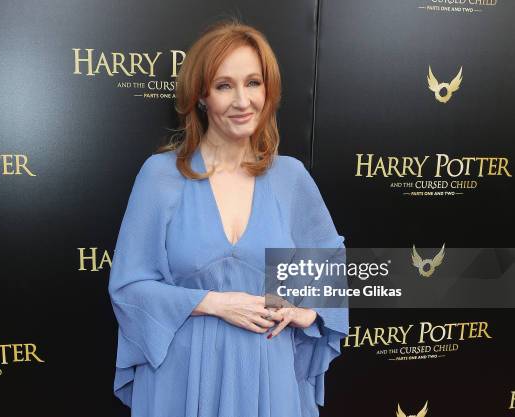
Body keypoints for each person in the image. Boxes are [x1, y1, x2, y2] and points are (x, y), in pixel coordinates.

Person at [108, 19, 348, 417]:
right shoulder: (160, 176)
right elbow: (129, 287)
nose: (242, 100)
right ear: (201, 96)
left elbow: (327, 264)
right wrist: (213, 302)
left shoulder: (291, 178)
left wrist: (310, 311)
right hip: (181, 380)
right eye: (224, 86)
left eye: (253, 83)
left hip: (268, 377)